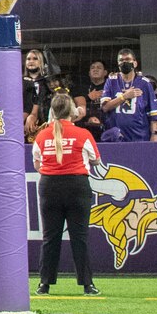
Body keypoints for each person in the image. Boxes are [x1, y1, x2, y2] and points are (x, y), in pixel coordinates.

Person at [32, 93, 100, 296]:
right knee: (80, 237)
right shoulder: (83, 134)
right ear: (73, 112)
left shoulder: (42, 135)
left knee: (50, 237)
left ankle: (44, 284)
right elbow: (95, 160)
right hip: (77, 186)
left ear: (52, 111)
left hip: (49, 186)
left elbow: (37, 163)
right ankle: (87, 284)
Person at [99, 48, 157, 142]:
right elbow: (105, 107)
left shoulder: (145, 83)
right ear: (118, 64)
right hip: (116, 138)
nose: (124, 62)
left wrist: (154, 135)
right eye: (121, 60)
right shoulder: (111, 81)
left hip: (140, 137)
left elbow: (153, 113)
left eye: (128, 59)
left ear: (135, 63)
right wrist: (124, 96)